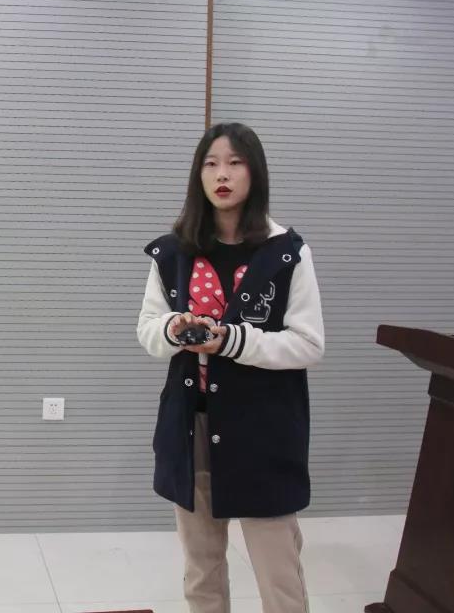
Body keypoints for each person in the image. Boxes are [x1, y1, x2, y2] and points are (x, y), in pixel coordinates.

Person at [136, 122, 324, 613]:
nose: (222, 174)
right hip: (191, 423)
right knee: (202, 569)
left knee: (279, 574)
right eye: (211, 164)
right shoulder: (173, 251)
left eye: (235, 163)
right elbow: (148, 330)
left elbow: (308, 344)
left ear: (254, 173)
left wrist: (232, 340)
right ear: (198, 175)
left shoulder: (287, 252)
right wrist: (175, 328)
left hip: (263, 428)